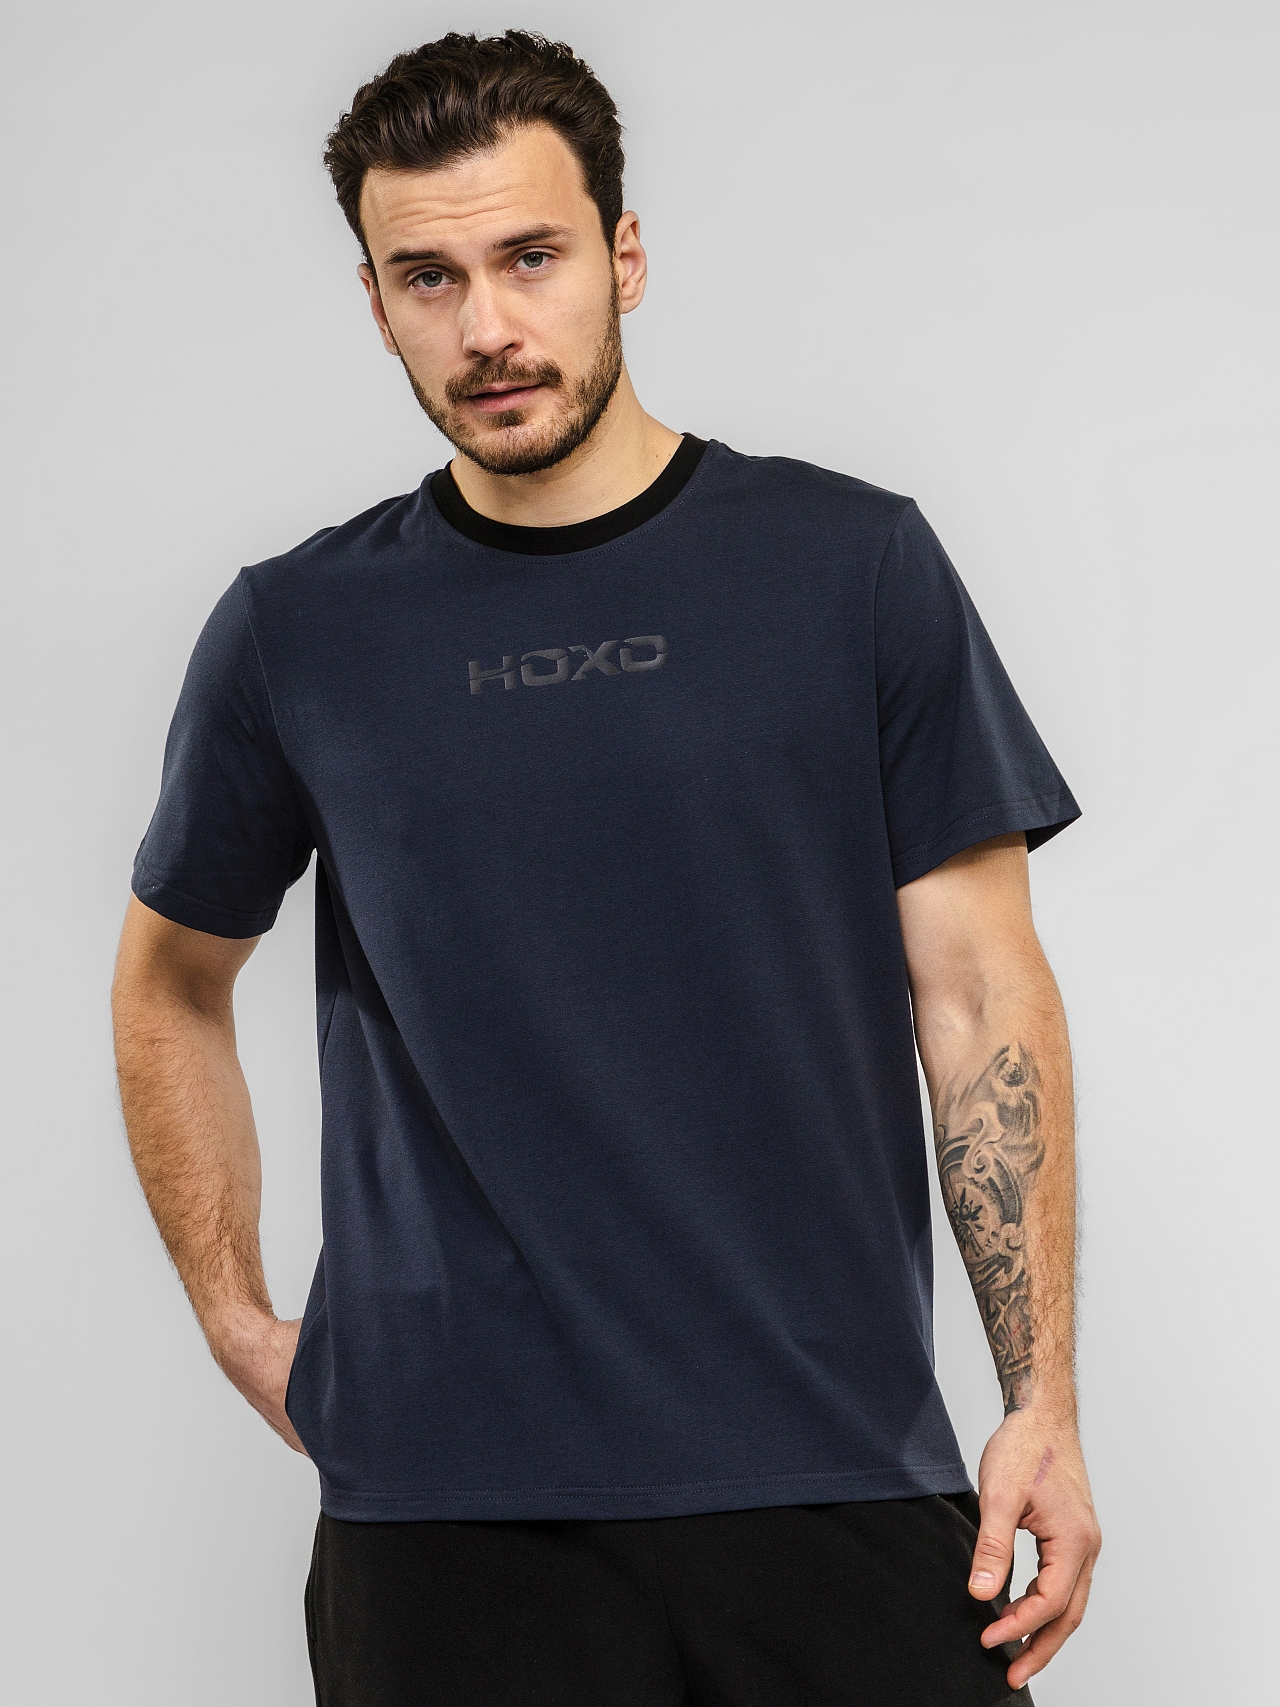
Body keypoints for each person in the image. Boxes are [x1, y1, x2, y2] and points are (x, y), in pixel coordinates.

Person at [112, 29, 1101, 1707]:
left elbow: (981, 993)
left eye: (531, 257)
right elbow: (169, 984)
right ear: (375, 302)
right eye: (427, 278)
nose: (486, 328)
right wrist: (235, 1315)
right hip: (448, 1516)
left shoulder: (851, 566)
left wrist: (1042, 1404)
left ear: (624, 256)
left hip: (832, 1464)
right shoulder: (299, 630)